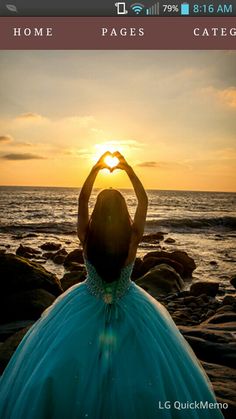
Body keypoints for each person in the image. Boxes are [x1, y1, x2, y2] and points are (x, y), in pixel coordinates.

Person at [0, 151, 224, 419]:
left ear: (97, 211)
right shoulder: (131, 239)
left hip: (83, 303)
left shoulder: (87, 236)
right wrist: (127, 169)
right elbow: (144, 200)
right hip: (131, 304)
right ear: (122, 213)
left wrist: (95, 169)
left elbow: (82, 198)